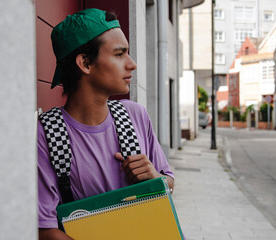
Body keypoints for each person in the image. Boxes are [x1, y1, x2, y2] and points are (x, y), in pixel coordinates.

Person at [37, 8, 174, 240]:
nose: (132, 64)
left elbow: (168, 182)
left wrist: (155, 179)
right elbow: (44, 229)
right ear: (85, 63)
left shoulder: (135, 115)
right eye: (119, 54)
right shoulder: (46, 134)